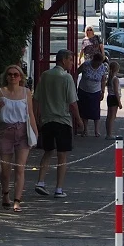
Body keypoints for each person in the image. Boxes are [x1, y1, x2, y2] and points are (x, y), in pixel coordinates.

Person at [33, 49, 85, 199]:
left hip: (47, 120)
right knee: (62, 156)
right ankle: (59, 189)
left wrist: (36, 117)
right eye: (70, 60)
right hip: (63, 121)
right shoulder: (67, 78)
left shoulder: (45, 75)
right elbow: (73, 103)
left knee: (48, 151)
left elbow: (36, 98)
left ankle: (40, 182)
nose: (72, 63)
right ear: (63, 60)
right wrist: (79, 120)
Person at [0, 65, 38, 212]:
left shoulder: (26, 92)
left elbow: (30, 113)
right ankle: (5, 195)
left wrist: (35, 132)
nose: (12, 77)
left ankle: (17, 200)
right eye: (10, 74)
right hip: (5, 131)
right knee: (5, 169)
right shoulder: (0, 92)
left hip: (22, 131)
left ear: (20, 77)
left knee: (20, 168)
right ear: (6, 76)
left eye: (16, 75)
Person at [76, 52, 107, 137]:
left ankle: (96, 130)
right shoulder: (86, 65)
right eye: (98, 62)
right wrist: (74, 85)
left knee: (95, 111)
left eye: (101, 62)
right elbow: (76, 73)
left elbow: (103, 79)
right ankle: (85, 130)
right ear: (94, 60)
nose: (99, 64)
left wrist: (103, 91)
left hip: (96, 91)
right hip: (84, 90)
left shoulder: (102, 67)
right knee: (84, 110)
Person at [105, 61, 123, 138]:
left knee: (109, 116)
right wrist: (119, 102)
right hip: (114, 97)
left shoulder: (109, 78)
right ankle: (110, 134)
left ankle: (108, 133)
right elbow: (116, 91)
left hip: (109, 97)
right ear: (117, 69)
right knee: (112, 116)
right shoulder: (115, 79)